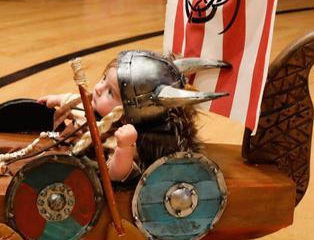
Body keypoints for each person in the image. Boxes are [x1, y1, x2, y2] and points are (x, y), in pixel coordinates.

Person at [35, 52, 222, 181]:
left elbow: (115, 174)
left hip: (76, 172)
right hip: (62, 148)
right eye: (103, 80)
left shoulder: (118, 138)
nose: (98, 89)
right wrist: (57, 99)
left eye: (110, 92)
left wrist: (125, 147)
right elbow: (77, 102)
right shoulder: (97, 108)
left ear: (127, 114)